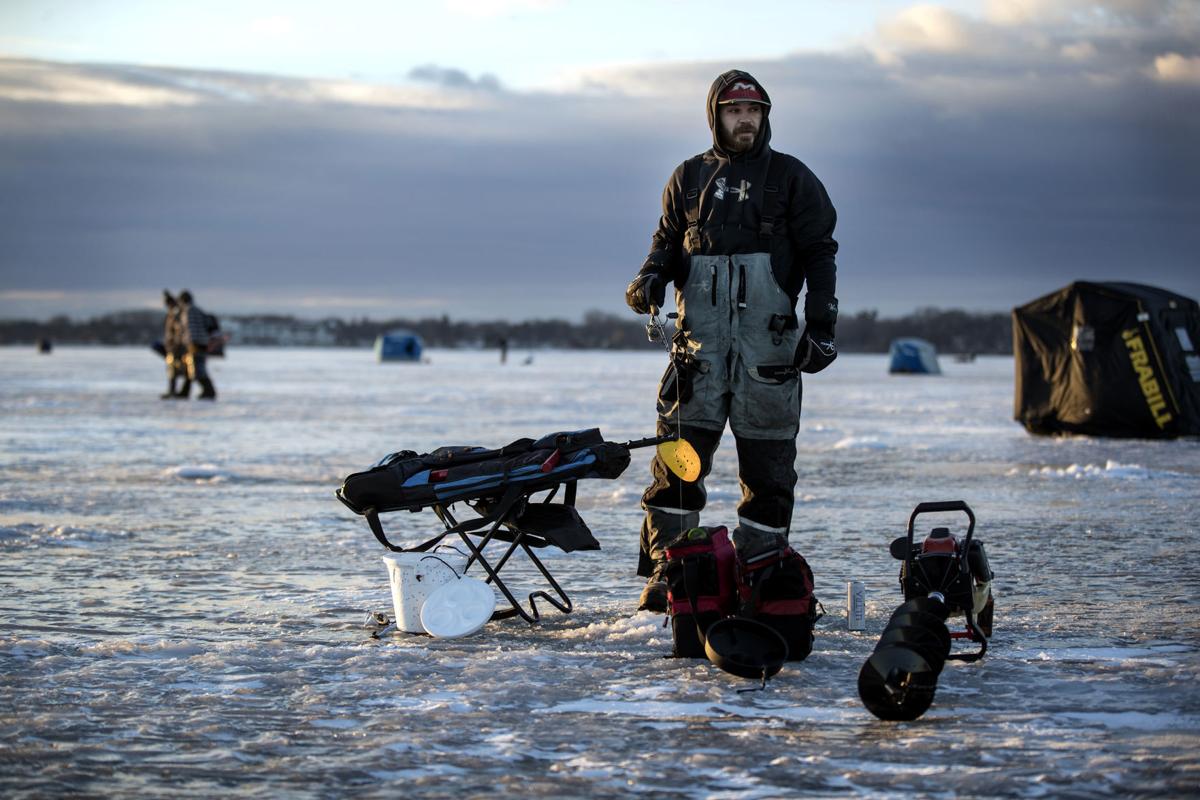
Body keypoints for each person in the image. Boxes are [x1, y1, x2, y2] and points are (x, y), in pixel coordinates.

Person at [625, 70, 840, 612]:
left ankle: (761, 576)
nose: (745, 119)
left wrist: (821, 326)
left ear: (765, 116)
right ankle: (670, 576)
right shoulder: (688, 177)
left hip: (768, 356)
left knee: (768, 477)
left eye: (754, 111)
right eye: (734, 111)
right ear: (715, 115)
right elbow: (667, 244)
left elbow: (821, 253)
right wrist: (648, 279)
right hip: (697, 356)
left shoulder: (792, 178)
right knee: (677, 470)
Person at [179, 290, 217, 400]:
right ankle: (185, 391)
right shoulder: (197, 310)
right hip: (202, 342)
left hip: (195, 343)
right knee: (192, 367)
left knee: (197, 368)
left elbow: (189, 329)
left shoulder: (189, 311)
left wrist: (188, 342)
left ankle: (209, 391)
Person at [161, 290, 190, 399]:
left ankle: (181, 392)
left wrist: (177, 343)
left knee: (181, 370)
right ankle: (175, 391)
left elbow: (179, 329)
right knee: (172, 369)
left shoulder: (177, 313)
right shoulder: (172, 313)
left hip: (178, 347)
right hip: (173, 346)